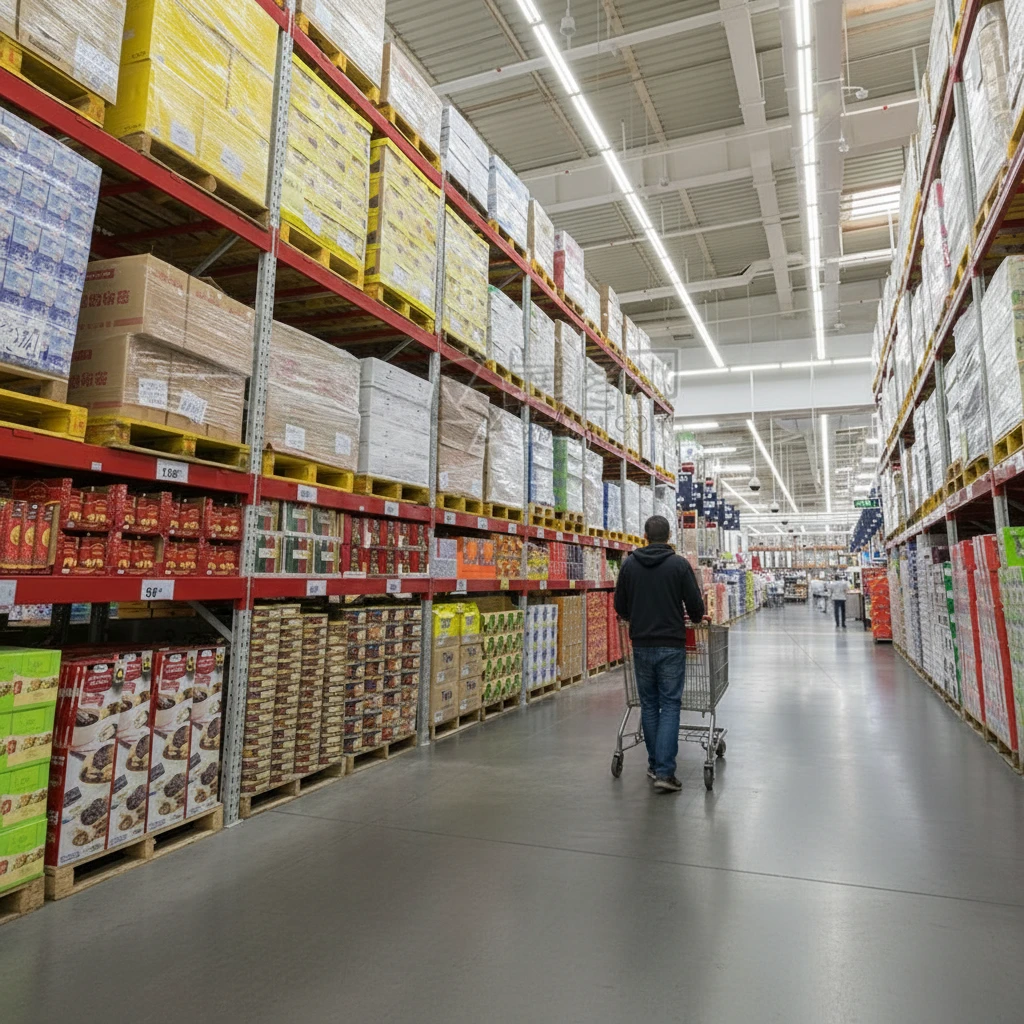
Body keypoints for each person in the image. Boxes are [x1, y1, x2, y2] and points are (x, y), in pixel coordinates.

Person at [613, 514, 706, 793]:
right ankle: (665, 771)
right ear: (668, 538)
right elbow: (695, 606)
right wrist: (697, 618)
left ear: (644, 535)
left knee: (650, 705)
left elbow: (620, 605)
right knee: (670, 705)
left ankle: (655, 766)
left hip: (641, 644)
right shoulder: (678, 565)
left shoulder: (629, 564)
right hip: (671, 644)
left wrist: (636, 617)